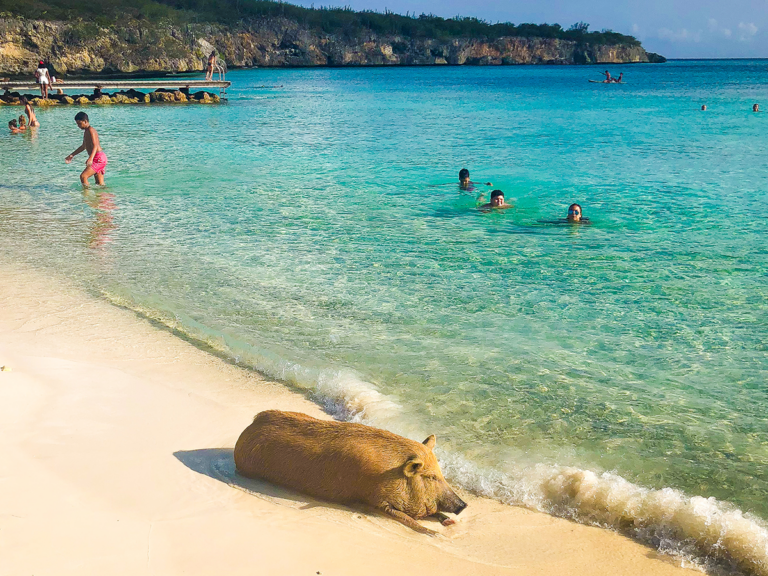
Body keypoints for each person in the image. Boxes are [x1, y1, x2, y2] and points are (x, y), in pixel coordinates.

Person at [65, 111, 107, 187]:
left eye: (79, 123)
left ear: (85, 121)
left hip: (98, 158)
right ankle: (104, 198)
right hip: (97, 157)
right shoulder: (86, 131)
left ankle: (86, 196)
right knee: (100, 185)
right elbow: (83, 146)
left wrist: (90, 159)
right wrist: (72, 155)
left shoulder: (91, 130)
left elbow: (95, 145)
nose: (78, 126)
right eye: (77, 124)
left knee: (83, 176)